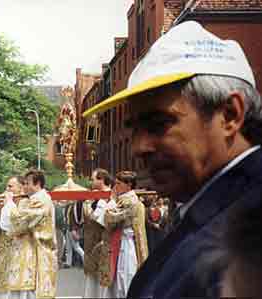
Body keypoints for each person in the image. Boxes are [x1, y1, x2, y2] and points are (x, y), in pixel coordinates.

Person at [83, 21, 262, 298]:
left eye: (159, 124)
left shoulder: (245, 234)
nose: (139, 147)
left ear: (229, 115)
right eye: (135, 129)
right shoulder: (216, 211)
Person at [0, 170, 58, 299]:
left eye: (27, 183)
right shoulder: (31, 200)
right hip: (25, 252)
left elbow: (20, 222)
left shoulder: (42, 200)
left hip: (36, 254)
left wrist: (9, 204)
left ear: (38, 184)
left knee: (28, 293)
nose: (24, 187)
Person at [102, 171, 148, 298]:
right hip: (120, 242)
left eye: (118, 183)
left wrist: (111, 200)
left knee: (124, 279)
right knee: (118, 281)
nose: (115, 186)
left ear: (128, 185)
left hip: (125, 246)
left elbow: (109, 217)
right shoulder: (123, 199)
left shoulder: (129, 201)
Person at [83, 168, 112, 298]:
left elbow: (100, 219)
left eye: (93, 179)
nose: (91, 181)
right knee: (92, 278)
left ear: (101, 180)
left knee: (101, 279)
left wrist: (88, 206)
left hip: (101, 243)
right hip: (91, 241)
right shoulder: (96, 196)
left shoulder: (108, 197)